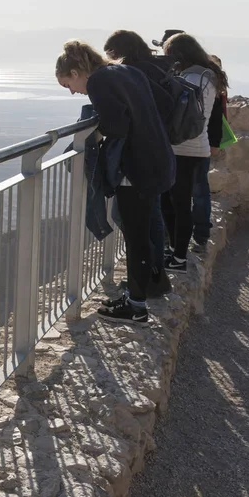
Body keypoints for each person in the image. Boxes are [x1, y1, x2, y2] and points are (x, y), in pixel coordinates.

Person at [55, 40, 175, 324]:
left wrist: (97, 129)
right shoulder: (125, 72)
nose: (73, 91)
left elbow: (116, 126)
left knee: (136, 236)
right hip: (158, 158)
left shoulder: (98, 82)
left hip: (137, 168)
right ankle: (141, 293)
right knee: (141, 232)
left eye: (68, 84)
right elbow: (165, 104)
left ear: (75, 72)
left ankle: (136, 306)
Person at [103, 30, 175, 297]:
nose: (108, 58)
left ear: (119, 50)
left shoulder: (135, 71)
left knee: (133, 220)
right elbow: (166, 105)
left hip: (143, 156)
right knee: (151, 216)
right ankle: (155, 275)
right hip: (158, 151)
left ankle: (148, 278)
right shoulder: (155, 67)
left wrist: (144, 127)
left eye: (110, 52)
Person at [161, 34, 229, 272]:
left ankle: (178, 257)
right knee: (175, 202)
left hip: (183, 149)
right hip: (194, 148)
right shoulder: (207, 76)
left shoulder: (191, 77)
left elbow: (174, 109)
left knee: (177, 204)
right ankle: (176, 253)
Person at [191, 54, 229, 252]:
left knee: (197, 191)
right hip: (203, 145)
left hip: (198, 145)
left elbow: (215, 118)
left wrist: (214, 142)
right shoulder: (214, 85)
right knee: (200, 190)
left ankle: (199, 234)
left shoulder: (207, 85)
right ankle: (201, 234)